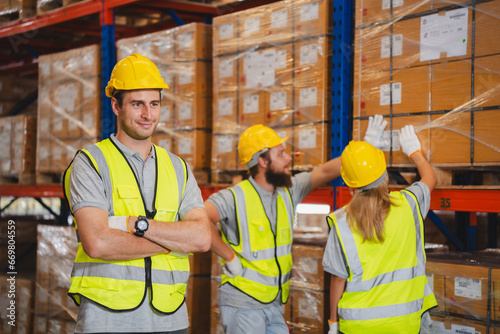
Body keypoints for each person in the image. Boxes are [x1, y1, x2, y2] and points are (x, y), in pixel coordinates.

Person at [62, 53, 212, 334]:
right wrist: (173, 243)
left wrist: (135, 225)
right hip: (107, 320)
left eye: (154, 104)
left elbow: (203, 238)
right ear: (116, 106)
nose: (148, 115)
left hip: (171, 319)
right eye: (137, 104)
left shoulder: (178, 167)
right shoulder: (91, 162)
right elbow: (98, 243)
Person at [204, 117, 387, 334]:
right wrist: (229, 256)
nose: (289, 158)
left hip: (274, 304)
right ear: (262, 161)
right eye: (280, 154)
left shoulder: (289, 191)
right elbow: (199, 219)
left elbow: (326, 172)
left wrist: (365, 149)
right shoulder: (234, 197)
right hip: (242, 303)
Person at [323, 125, 438, 334]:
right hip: (404, 322)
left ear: (350, 185)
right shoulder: (408, 204)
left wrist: (333, 323)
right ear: (385, 174)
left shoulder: (341, 222)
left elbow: (338, 278)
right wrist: (414, 151)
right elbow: (430, 178)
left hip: (358, 324)